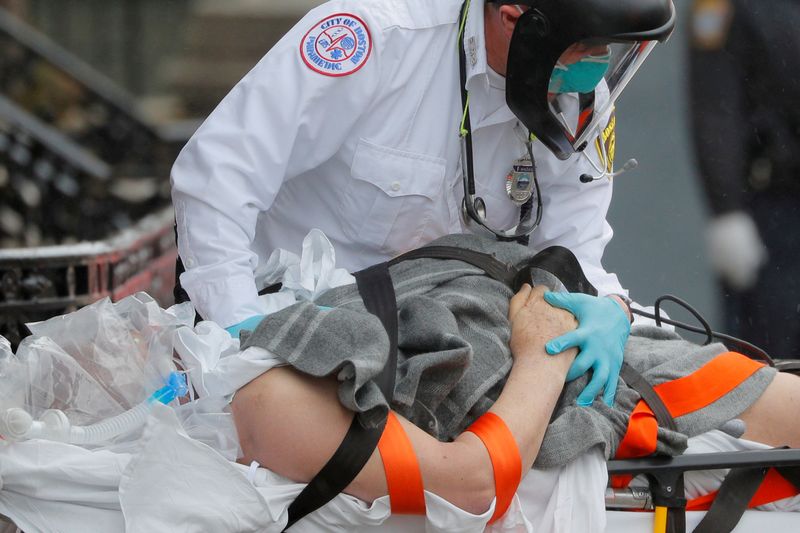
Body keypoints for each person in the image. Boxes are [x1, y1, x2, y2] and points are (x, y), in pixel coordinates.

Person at [171, 0, 676, 408]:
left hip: (447, 341)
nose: (596, 67)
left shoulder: (576, 99)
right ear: (513, 20)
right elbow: (216, 179)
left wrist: (609, 309)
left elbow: (575, 252)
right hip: (300, 327)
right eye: (586, 47)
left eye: (608, 49)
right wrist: (243, 329)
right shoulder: (374, 37)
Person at [230, 232, 800, 528]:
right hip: (568, 383)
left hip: (541, 335)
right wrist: (542, 352)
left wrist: (608, 312)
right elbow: (474, 482)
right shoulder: (273, 407)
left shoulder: (286, 359)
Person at [689, 0, 800, 358]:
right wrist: (726, 210)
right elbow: (715, 104)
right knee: (774, 355)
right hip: (774, 210)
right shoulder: (725, 6)